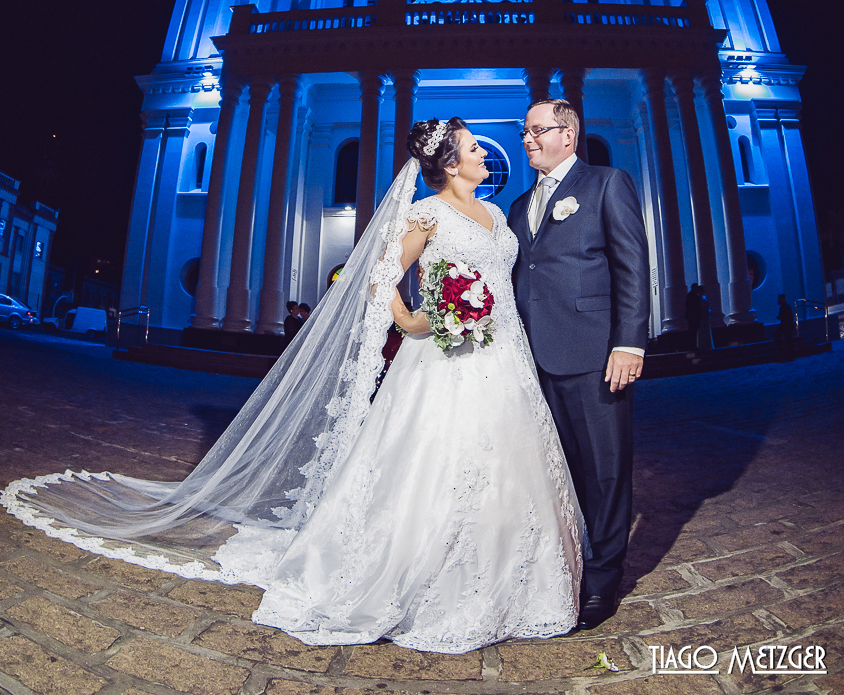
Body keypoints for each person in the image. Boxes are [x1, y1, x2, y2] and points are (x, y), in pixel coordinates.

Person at [3, 117, 582, 654]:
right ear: (451, 165)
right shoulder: (427, 214)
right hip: (444, 359)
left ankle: (512, 573)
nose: (486, 153)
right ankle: (425, 571)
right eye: (475, 148)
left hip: (505, 356)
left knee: (511, 460)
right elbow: (381, 272)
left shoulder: (498, 216)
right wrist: (410, 320)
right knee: (440, 459)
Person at [508, 99, 649, 631]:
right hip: (535, 359)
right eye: (524, 132)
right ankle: (566, 564)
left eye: (536, 131)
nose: (527, 140)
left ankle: (605, 576)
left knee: (605, 468)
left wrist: (628, 343)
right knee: (560, 470)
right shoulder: (520, 203)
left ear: (567, 135)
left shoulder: (607, 183)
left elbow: (632, 264)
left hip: (595, 354)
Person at [773, 293, 795, 360]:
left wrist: (779, 317)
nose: (778, 301)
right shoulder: (787, 306)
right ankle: (789, 355)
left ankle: (782, 351)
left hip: (785, 325)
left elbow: (783, 317)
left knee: (779, 336)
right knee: (788, 340)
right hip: (788, 325)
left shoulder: (784, 307)